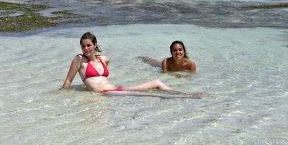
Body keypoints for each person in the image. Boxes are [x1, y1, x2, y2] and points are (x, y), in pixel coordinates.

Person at [62, 32, 204, 98]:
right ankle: (189, 96)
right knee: (151, 95)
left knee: (157, 83)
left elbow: (98, 79)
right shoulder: (79, 59)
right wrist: (62, 95)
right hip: (106, 93)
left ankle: (185, 93)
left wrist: (86, 85)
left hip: (117, 88)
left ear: (95, 45)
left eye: (89, 45)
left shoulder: (103, 59)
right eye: (83, 46)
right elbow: (69, 80)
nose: (86, 49)